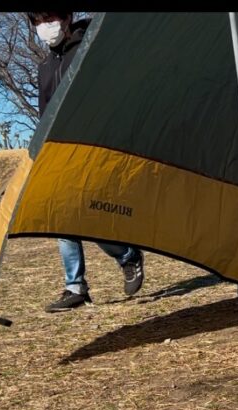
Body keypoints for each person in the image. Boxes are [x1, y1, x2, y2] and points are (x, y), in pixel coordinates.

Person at [27, 11, 145, 312]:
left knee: (93, 218)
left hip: (94, 147)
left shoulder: (89, 49)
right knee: (62, 218)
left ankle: (128, 255)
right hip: (58, 152)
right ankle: (75, 286)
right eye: (38, 22)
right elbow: (44, 115)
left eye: (49, 18)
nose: (45, 27)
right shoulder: (44, 67)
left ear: (66, 18)